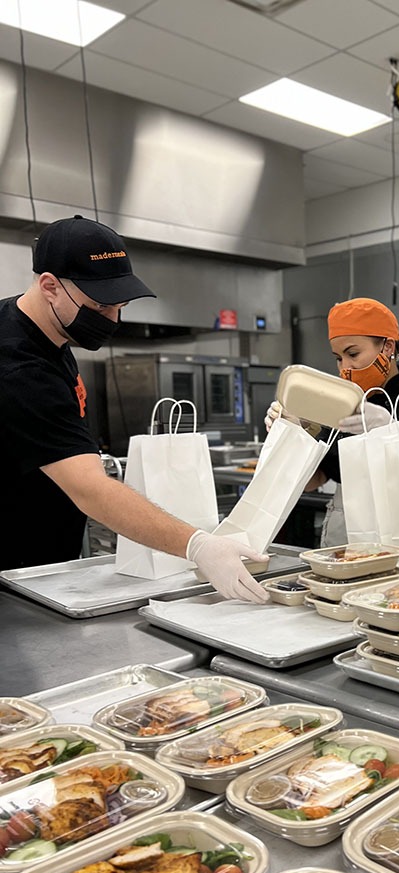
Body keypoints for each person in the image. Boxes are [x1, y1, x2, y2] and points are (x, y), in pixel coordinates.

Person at [0, 215, 268, 603]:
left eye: (120, 306)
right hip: (12, 574)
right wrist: (198, 546)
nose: (113, 320)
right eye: (100, 307)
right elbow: (90, 490)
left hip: (41, 565)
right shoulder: (18, 368)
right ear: (49, 286)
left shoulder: (47, 333)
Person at [266, 297, 399, 546]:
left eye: (353, 353)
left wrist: (392, 428)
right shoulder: (340, 410)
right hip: (347, 539)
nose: (345, 367)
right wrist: (293, 435)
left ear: (386, 348)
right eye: (338, 358)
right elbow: (313, 482)